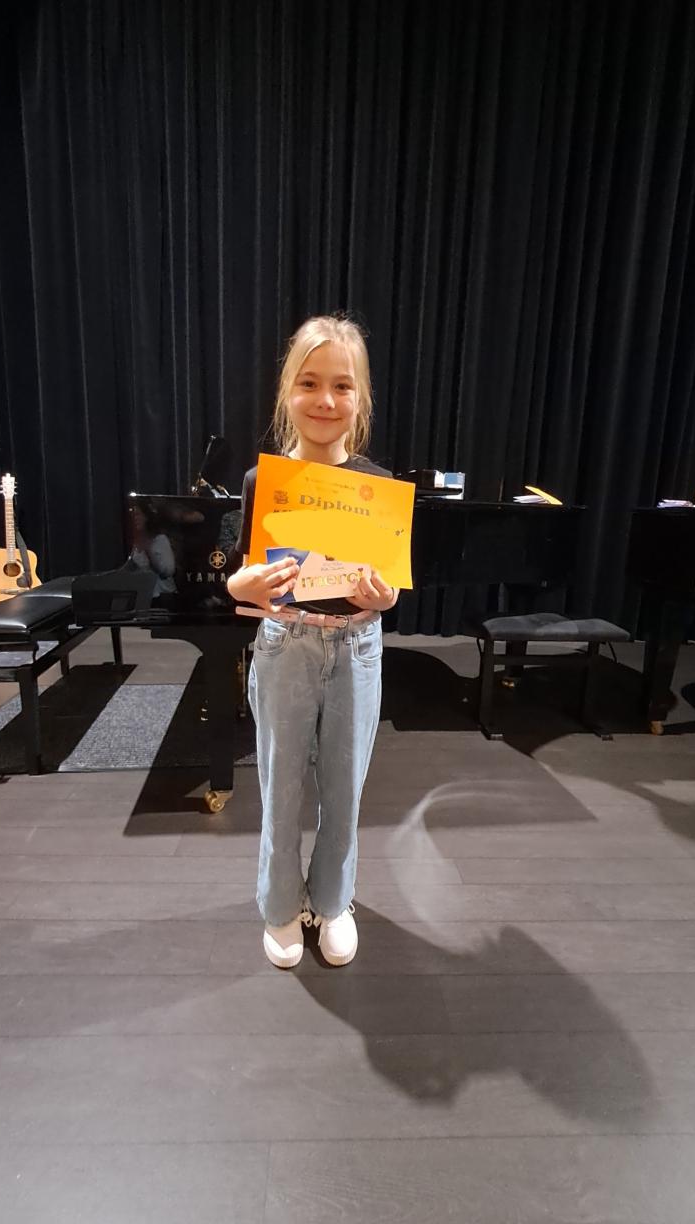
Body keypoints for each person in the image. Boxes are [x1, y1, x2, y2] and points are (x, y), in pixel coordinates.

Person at [226, 316, 398, 969]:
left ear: (360, 398)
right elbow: (241, 576)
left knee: (345, 789)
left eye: (342, 386)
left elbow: (389, 584)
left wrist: (385, 598)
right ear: (287, 392)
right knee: (280, 789)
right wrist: (244, 584)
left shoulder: (378, 485)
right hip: (285, 645)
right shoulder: (261, 481)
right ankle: (279, 907)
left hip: (357, 648)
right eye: (309, 383)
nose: (325, 400)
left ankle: (332, 901)